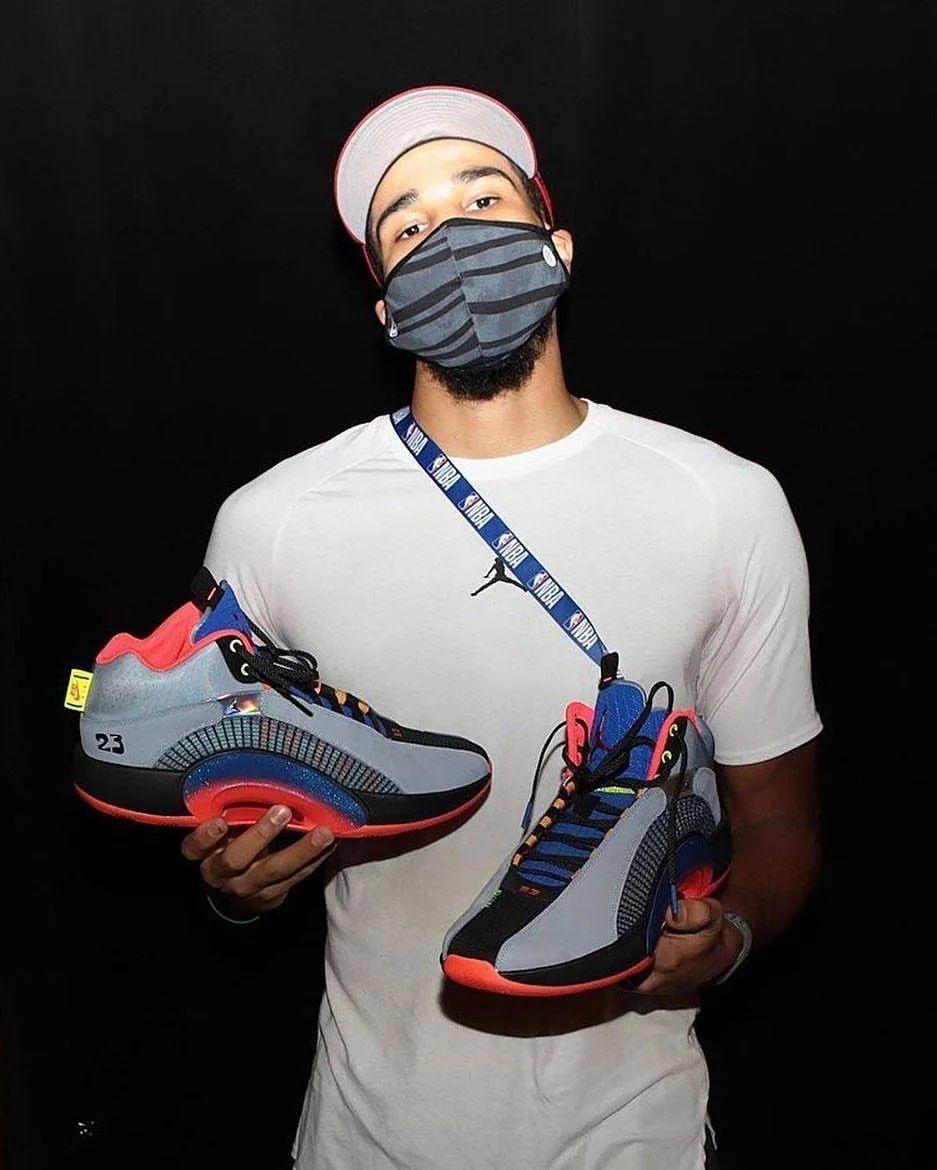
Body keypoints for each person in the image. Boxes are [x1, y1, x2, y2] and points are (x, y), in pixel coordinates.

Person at [181, 86, 822, 1170]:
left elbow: (782, 822)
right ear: (386, 309)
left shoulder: (724, 501)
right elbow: (230, 827)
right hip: (368, 1133)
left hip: (633, 1132)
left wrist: (731, 937)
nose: (452, 237)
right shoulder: (272, 522)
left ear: (556, 246)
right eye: (410, 226)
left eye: (483, 199)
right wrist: (235, 885)